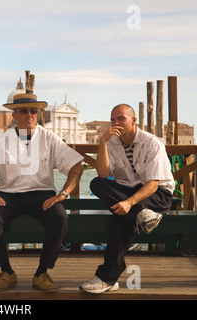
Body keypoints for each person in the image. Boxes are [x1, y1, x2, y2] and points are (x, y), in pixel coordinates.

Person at [0, 93, 84, 292]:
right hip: (8, 195)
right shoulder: (0, 140)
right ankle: (6, 271)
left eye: (33, 111)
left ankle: (42, 272)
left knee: (60, 217)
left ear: (37, 114)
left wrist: (63, 193)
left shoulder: (50, 138)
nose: (29, 114)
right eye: (23, 111)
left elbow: (76, 165)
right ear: (14, 115)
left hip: (43, 194)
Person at [80, 104, 175, 294]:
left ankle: (107, 278)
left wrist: (130, 203)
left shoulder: (152, 143)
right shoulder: (111, 143)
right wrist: (102, 143)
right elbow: (102, 173)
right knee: (97, 184)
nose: (116, 123)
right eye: (113, 119)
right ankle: (140, 216)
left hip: (157, 195)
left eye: (121, 118)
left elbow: (153, 184)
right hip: (128, 194)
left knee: (120, 217)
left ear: (133, 120)